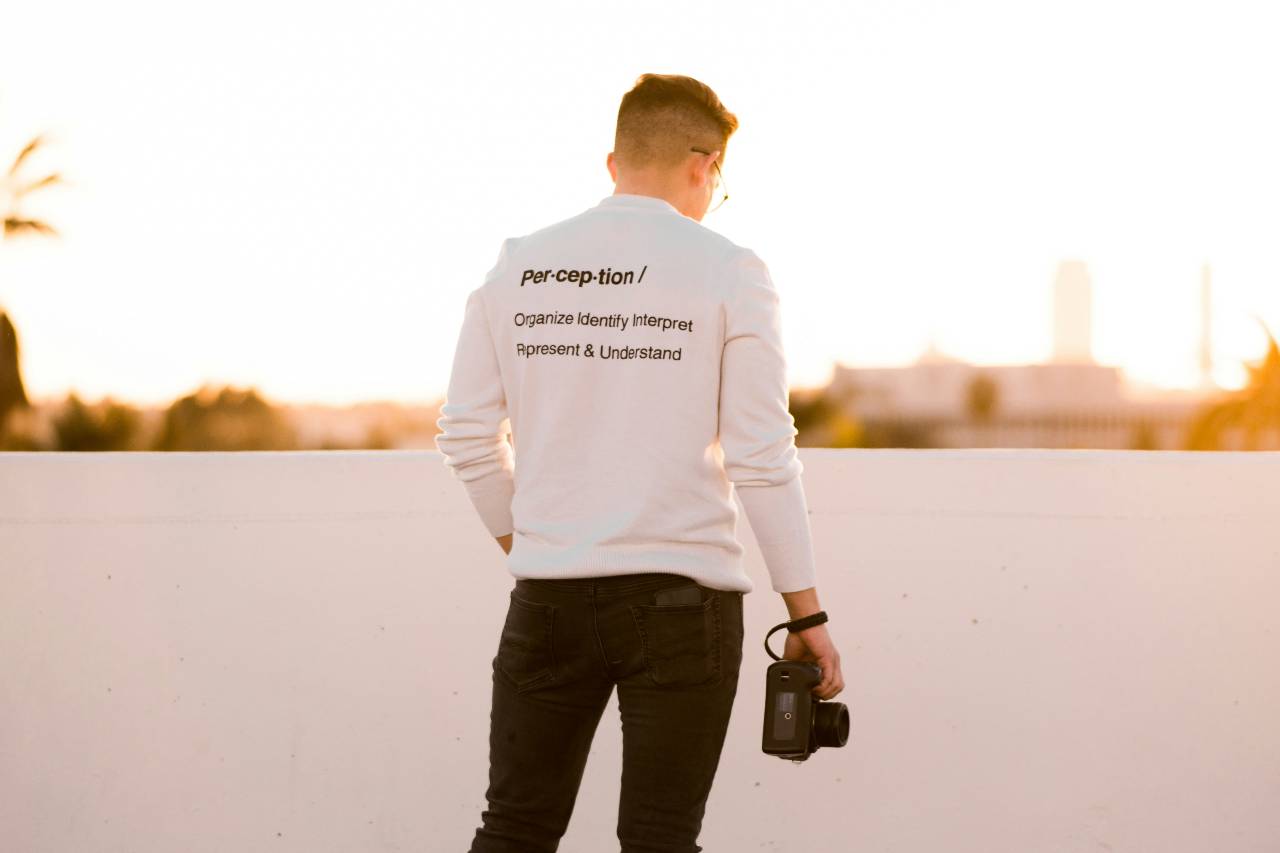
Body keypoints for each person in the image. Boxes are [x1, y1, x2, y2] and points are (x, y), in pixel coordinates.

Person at [435, 72, 844, 853]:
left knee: (515, 829)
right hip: (682, 606)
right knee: (660, 839)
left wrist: (533, 549)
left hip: (547, 599)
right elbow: (761, 456)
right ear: (705, 165)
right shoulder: (729, 268)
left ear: (614, 162)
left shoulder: (516, 265)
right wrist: (807, 614)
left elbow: (465, 436)